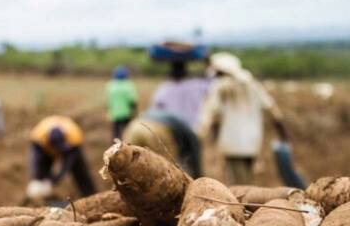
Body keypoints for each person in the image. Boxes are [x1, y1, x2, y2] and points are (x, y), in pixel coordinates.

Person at [199, 52, 288, 185]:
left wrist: (201, 134)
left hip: (232, 142)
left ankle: (242, 205)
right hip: (252, 140)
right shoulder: (252, 84)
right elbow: (271, 108)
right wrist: (282, 132)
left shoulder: (222, 87)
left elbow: (211, 112)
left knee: (237, 184)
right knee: (248, 179)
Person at [28, 116, 97, 198]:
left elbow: (68, 164)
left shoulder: (74, 136)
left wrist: (58, 178)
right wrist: (41, 178)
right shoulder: (38, 137)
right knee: (41, 170)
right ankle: (42, 198)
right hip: (45, 148)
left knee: (80, 170)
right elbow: (36, 161)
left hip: (70, 147)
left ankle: (90, 194)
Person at [150, 42, 211, 131]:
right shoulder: (198, 85)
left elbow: (155, 113)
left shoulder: (163, 89)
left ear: (170, 73)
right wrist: (207, 59)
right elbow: (212, 81)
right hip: (194, 131)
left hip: (173, 133)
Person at [122, 110, 202, 178]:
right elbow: (195, 151)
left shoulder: (169, 117)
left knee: (125, 161)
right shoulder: (191, 134)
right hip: (154, 129)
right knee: (168, 169)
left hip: (133, 126)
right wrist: (198, 175)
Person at [105, 66, 138, 139]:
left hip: (114, 113)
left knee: (116, 133)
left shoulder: (110, 85)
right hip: (127, 113)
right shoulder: (129, 85)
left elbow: (108, 101)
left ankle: (115, 148)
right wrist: (134, 111)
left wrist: (109, 111)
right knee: (128, 133)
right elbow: (132, 100)